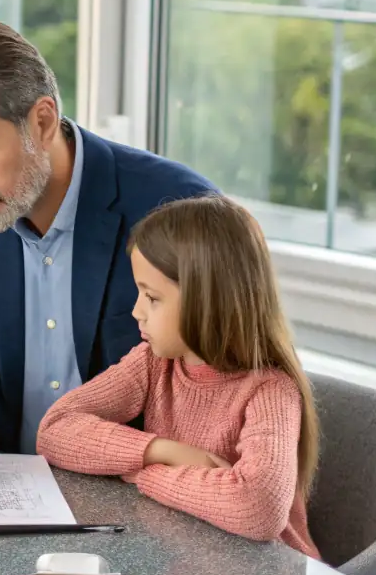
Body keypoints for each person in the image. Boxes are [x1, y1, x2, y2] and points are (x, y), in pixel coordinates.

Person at [0, 19, 214, 469]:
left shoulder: (176, 208)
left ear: (42, 121)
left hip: (137, 496)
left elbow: (221, 391)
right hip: (9, 489)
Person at [38, 196, 320, 556]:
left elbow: (257, 509)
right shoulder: (155, 364)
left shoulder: (270, 390)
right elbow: (54, 430)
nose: (137, 312)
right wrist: (164, 451)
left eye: (152, 298)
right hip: (193, 562)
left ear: (208, 301)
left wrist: (141, 473)